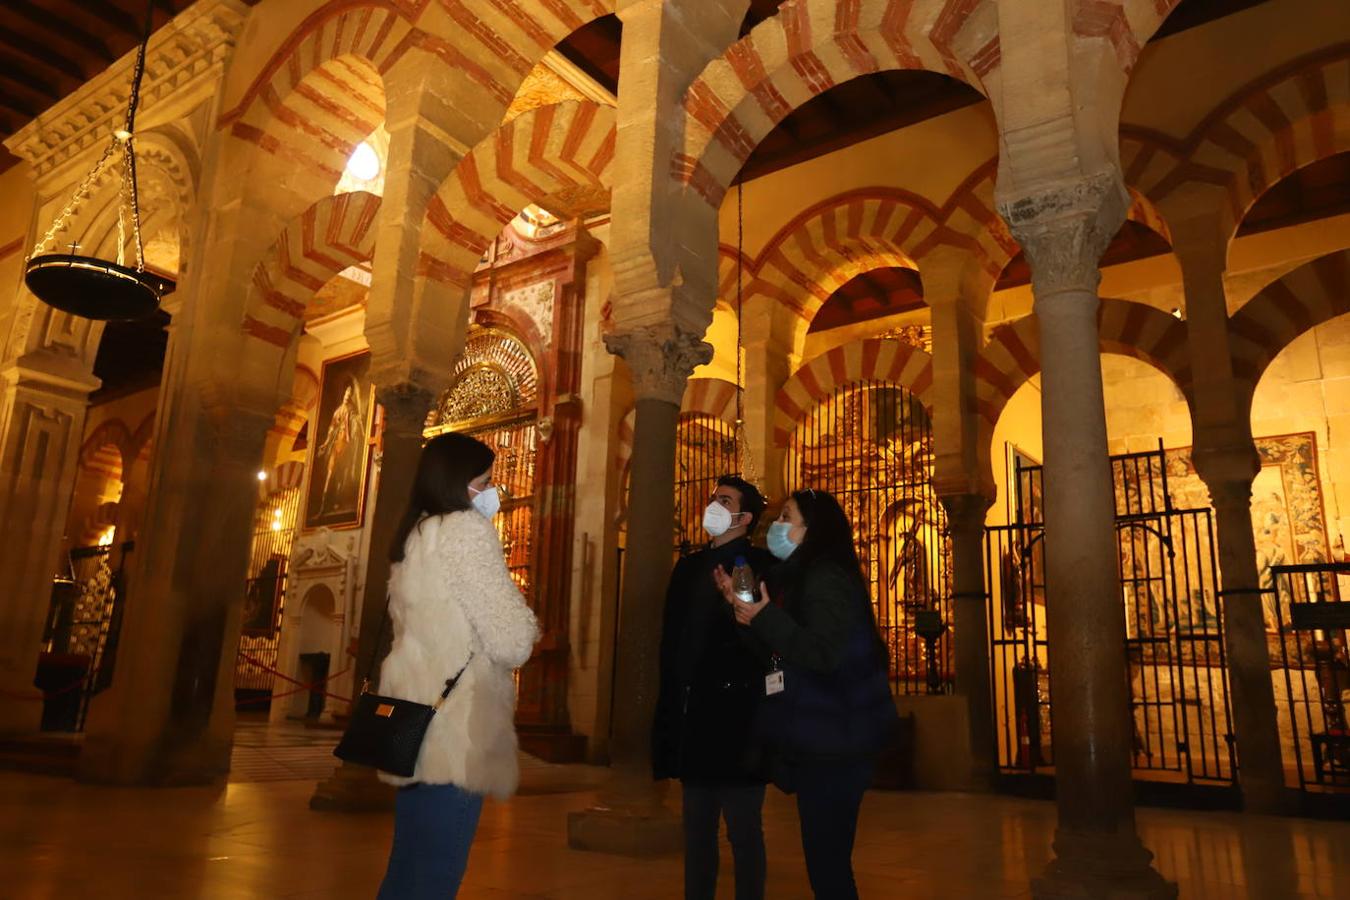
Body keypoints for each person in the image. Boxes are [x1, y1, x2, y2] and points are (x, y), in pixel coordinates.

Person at [374, 432, 539, 899]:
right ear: (457, 483)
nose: (491, 492)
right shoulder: (466, 531)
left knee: (406, 868)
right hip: (457, 728)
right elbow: (512, 641)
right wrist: (525, 618)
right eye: (485, 480)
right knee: (436, 876)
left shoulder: (416, 534)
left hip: (415, 725)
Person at [716, 488, 896, 900]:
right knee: (826, 862)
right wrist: (746, 614)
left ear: (811, 530)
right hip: (825, 737)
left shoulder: (825, 578)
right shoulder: (803, 577)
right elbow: (784, 653)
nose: (777, 526)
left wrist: (766, 618)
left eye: (787, 517)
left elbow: (823, 653)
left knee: (828, 866)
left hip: (836, 741)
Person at [653, 474, 775, 900]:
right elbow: (673, 643)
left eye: (725, 500)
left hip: (740, 718)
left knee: (743, 831)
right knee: (697, 830)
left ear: (744, 517)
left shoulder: (761, 566)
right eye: (713, 498)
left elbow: (765, 641)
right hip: (695, 717)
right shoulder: (688, 567)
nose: (714, 505)